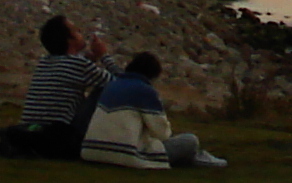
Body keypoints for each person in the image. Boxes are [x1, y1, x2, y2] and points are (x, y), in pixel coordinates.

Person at [80, 52, 226, 171]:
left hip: (91, 150)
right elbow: (163, 133)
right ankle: (200, 158)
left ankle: (197, 158)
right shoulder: (145, 91)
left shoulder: (111, 85)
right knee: (190, 141)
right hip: (123, 154)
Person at [11, 14, 106, 159]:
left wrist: (90, 59)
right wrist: (105, 56)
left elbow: (71, 69)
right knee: (103, 89)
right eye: (76, 31)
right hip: (60, 136)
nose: (81, 33)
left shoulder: (44, 62)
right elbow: (121, 83)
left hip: (29, 132)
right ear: (69, 40)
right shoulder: (79, 65)